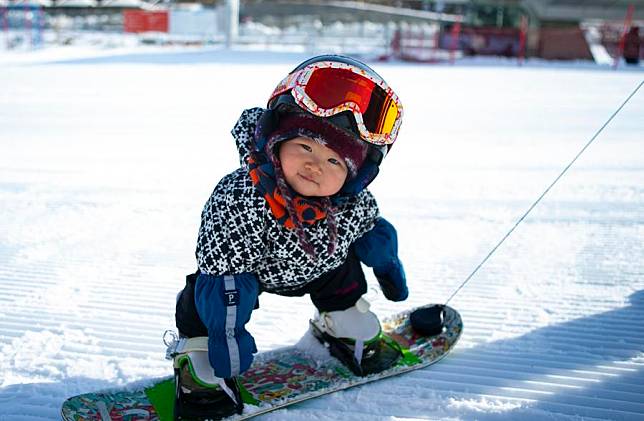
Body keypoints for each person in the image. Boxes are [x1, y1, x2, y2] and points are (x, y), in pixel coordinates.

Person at [170, 55, 408, 419]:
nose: (316, 165)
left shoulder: (350, 204)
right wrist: (226, 334)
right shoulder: (241, 198)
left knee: (344, 268)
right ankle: (199, 352)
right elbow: (225, 278)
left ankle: (341, 319)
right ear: (275, 142)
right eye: (306, 147)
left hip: (319, 268)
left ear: (356, 176)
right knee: (205, 297)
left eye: (334, 162)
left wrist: (387, 264)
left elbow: (372, 233)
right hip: (249, 276)